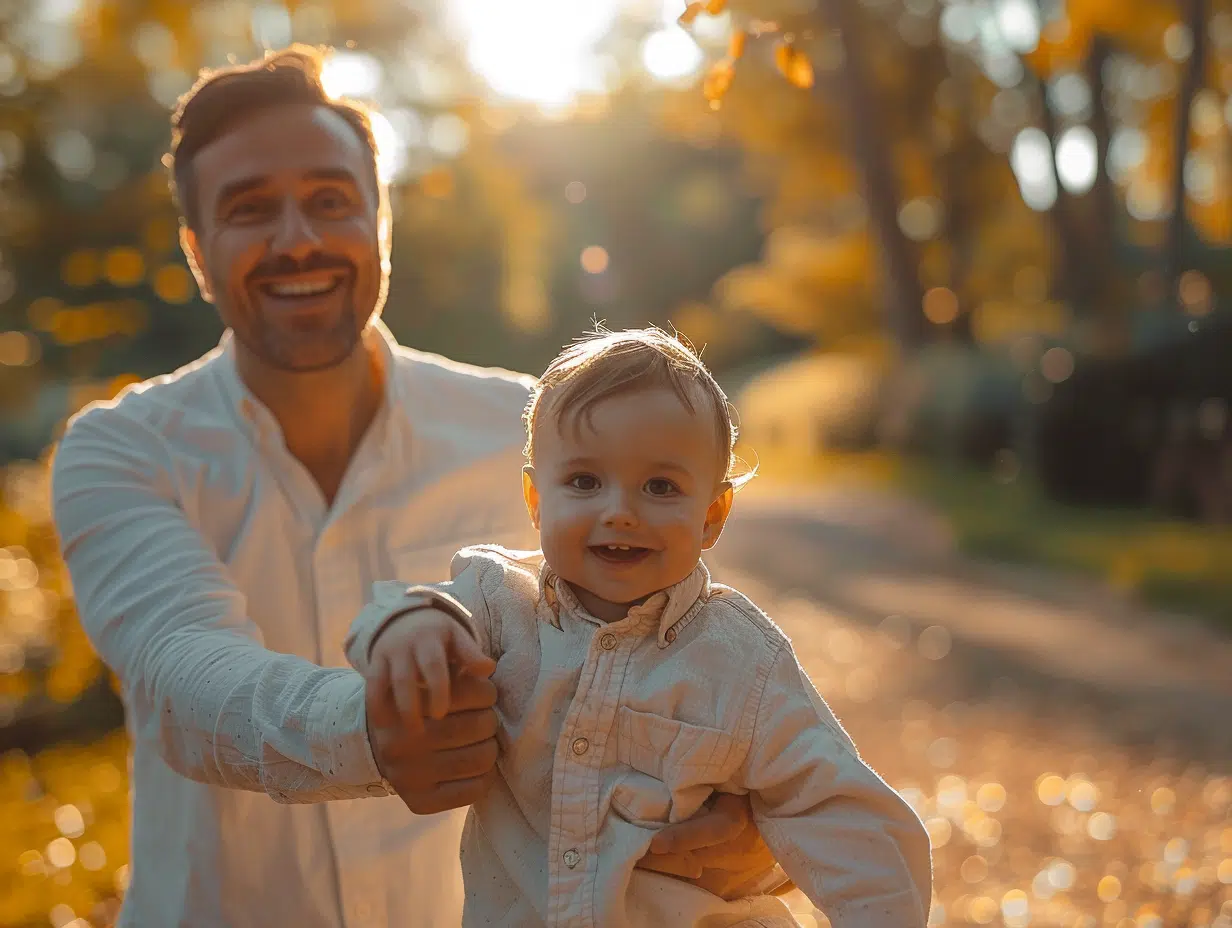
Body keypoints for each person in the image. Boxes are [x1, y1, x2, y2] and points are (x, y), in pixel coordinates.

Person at [50, 45, 785, 928]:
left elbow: (691, 670)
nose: (298, 239)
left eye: (331, 200)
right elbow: (180, 674)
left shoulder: (540, 443)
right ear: (197, 251)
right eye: (250, 210)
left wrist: (753, 839)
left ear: (381, 222)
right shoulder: (122, 450)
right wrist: (368, 733)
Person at [347, 328, 933, 927]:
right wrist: (408, 628)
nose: (619, 510)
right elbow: (405, 607)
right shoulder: (498, 606)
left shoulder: (739, 661)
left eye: (660, 487)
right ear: (534, 498)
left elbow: (842, 811)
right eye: (583, 482)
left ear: (712, 516)